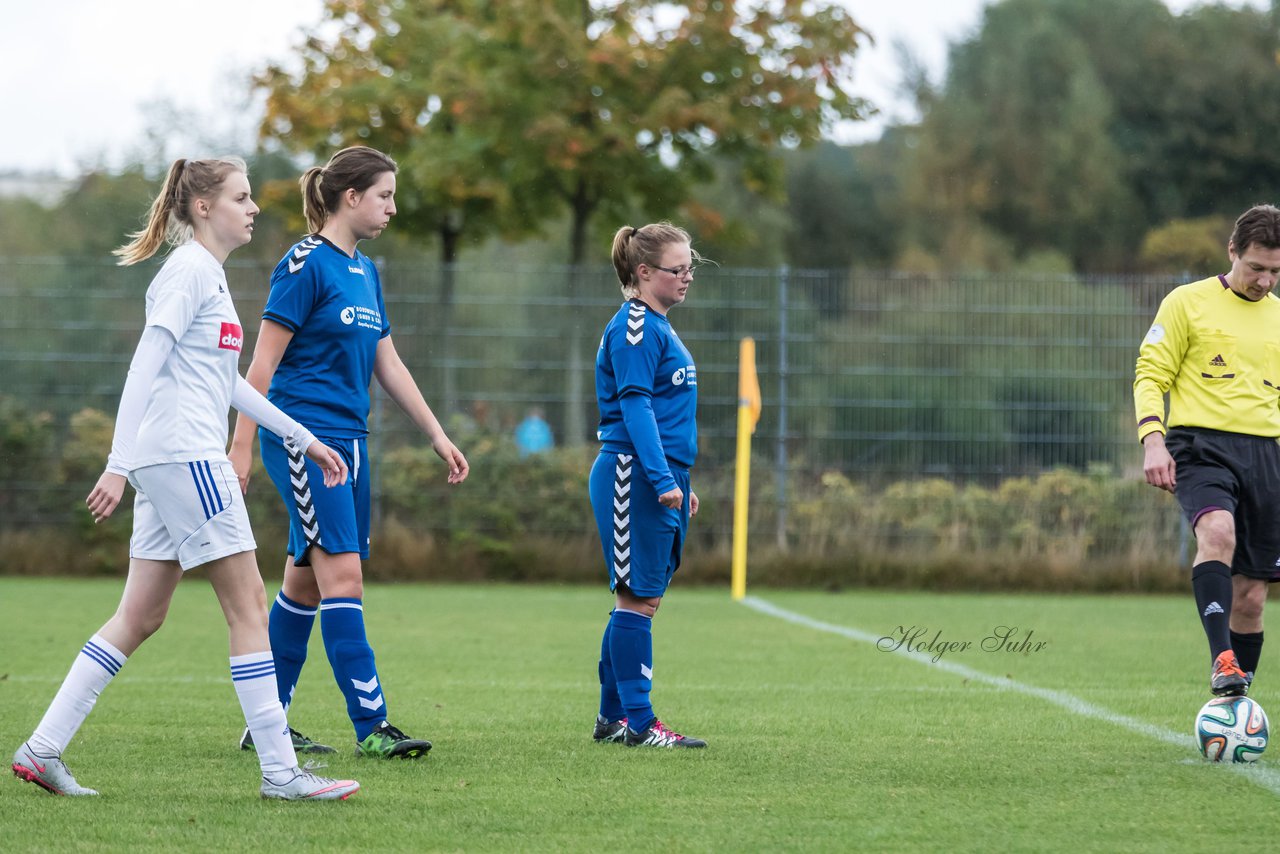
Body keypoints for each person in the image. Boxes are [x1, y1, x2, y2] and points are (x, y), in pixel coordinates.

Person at [10, 157, 359, 800]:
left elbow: (225, 383)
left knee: (139, 616)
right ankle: (281, 773)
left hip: (170, 461)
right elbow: (146, 364)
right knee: (251, 606)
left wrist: (303, 439)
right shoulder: (189, 272)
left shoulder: (213, 279)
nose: (254, 208)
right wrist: (117, 464)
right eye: (242, 197)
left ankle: (41, 749)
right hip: (187, 460)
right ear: (204, 208)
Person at [229, 145, 469, 759]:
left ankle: (266, 723)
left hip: (352, 444)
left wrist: (437, 434)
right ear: (351, 196)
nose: (393, 207)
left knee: (305, 586)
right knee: (345, 576)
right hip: (306, 441)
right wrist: (242, 447)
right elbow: (261, 366)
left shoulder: (366, 271)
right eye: (385, 195)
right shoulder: (304, 262)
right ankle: (373, 725)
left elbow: (388, 363)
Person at [1135, 203, 1280, 698]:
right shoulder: (1186, 302)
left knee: (1253, 599)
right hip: (1200, 445)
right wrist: (1153, 439)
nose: (1265, 281)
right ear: (1232, 252)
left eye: (1276, 271)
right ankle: (1221, 660)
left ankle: (1233, 702)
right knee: (1216, 533)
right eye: (1256, 267)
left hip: (1267, 454)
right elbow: (1151, 374)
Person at [588, 222, 706, 748]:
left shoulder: (659, 324)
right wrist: (660, 477)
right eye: (676, 269)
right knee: (636, 598)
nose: (686, 278)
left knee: (640, 601)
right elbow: (636, 408)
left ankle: (612, 718)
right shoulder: (635, 326)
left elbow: (665, 411)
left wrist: (681, 477)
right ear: (643, 272)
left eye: (690, 268)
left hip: (660, 475)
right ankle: (640, 723)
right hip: (631, 475)